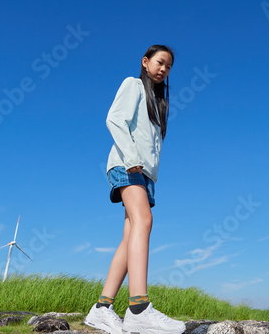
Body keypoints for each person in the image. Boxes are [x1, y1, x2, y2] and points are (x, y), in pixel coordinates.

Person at [84, 45, 185, 334]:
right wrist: (132, 161)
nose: (164, 69)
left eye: (168, 66)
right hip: (128, 166)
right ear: (146, 61)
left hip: (144, 174)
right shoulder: (133, 85)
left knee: (130, 236)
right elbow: (115, 119)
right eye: (160, 62)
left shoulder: (158, 101)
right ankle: (139, 307)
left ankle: (102, 308)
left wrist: (149, 174)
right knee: (144, 221)